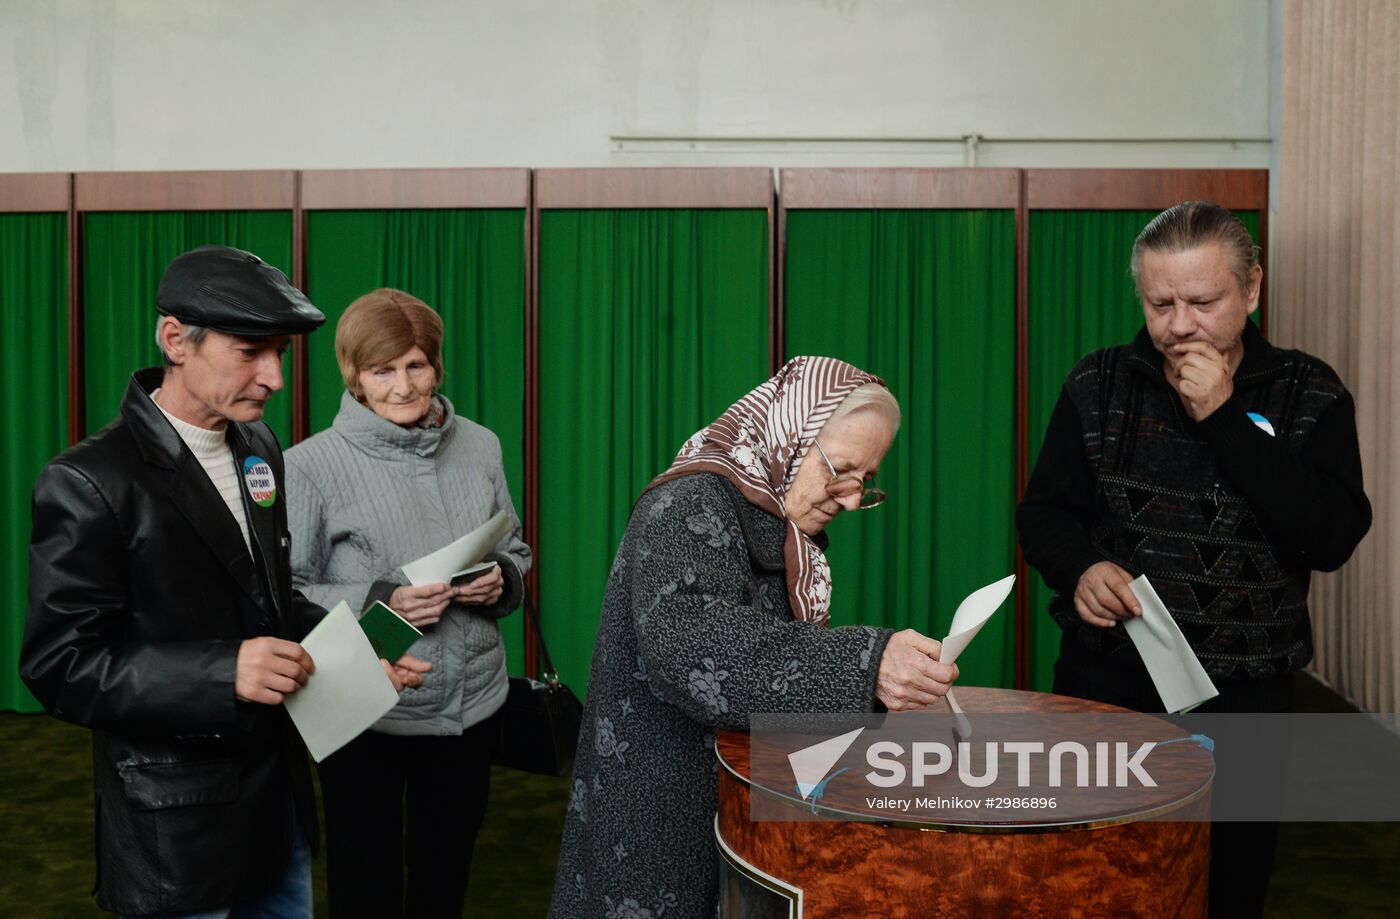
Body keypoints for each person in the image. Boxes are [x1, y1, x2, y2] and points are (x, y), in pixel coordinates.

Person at [20, 246, 429, 918]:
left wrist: (356, 655)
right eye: (250, 351)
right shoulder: (90, 480)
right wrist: (221, 672)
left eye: (282, 353)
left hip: (277, 814)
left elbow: (268, 600)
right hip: (174, 830)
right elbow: (59, 663)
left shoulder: (258, 446)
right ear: (175, 338)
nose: (273, 377)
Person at [1017, 201, 1371, 917]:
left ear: (1253, 289)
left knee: (1226, 889)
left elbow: (1330, 536)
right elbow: (1043, 514)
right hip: (1105, 685)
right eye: (1161, 302)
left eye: (1203, 301)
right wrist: (1081, 566)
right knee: (1086, 883)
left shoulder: (1311, 393)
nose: (1180, 325)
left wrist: (1225, 417)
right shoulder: (1098, 385)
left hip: (1245, 697)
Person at [548, 355, 960, 918]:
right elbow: (688, 644)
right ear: (792, 434)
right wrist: (867, 664)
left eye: (865, 483)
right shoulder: (690, 501)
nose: (848, 500)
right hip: (660, 815)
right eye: (840, 470)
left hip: (727, 802)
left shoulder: (771, 514)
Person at [285, 288, 531, 919]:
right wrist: (380, 601)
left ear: (437, 367)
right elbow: (288, 591)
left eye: (416, 365)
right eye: (382, 370)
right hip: (367, 710)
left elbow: (519, 548)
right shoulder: (308, 466)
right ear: (355, 377)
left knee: (444, 876)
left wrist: (502, 579)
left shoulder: (482, 445)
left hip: (471, 708)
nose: (402, 386)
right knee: (363, 882)